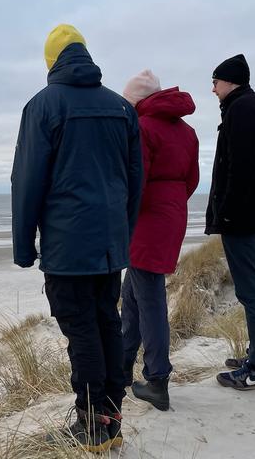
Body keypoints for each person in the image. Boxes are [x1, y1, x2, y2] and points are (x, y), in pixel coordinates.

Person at [11, 24, 143, 452]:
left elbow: (27, 181)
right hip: (109, 245)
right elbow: (134, 181)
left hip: (68, 247)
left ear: (51, 62)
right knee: (107, 321)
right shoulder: (122, 109)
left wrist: (22, 246)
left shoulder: (43, 106)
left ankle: (93, 424)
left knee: (83, 329)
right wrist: (123, 232)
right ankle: (112, 416)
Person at [120, 69, 199, 411]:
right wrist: (172, 203)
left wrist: (123, 217)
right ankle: (121, 367)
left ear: (137, 102)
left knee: (149, 299)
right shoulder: (187, 131)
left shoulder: (143, 128)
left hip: (148, 220)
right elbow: (192, 180)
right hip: (172, 215)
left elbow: (136, 181)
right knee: (133, 295)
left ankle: (157, 379)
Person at [205, 53, 255, 390]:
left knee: (251, 290)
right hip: (251, 214)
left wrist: (228, 212)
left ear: (230, 80)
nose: (213, 89)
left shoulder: (244, 108)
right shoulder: (252, 105)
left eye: (216, 82)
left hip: (243, 217)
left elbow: (242, 168)